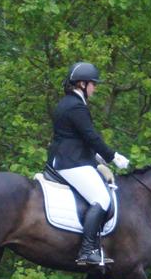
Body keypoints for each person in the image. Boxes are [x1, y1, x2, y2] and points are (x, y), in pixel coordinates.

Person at [47, 62, 130, 265]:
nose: (95, 88)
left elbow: (75, 137)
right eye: (93, 84)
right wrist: (113, 156)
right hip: (70, 162)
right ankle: (87, 250)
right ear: (82, 84)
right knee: (102, 198)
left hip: (68, 157)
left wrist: (97, 157)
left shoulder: (67, 102)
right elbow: (91, 136)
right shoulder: (76, 106)